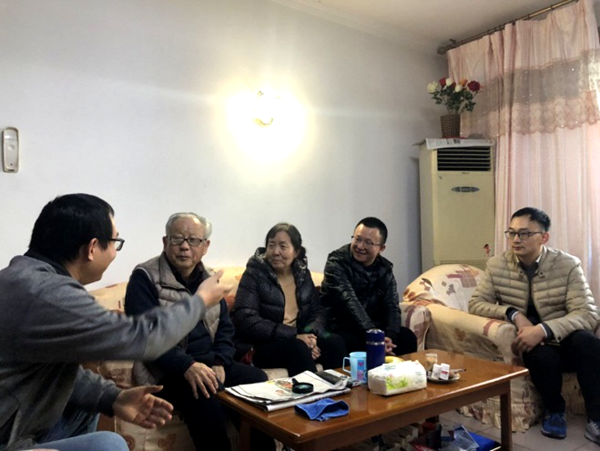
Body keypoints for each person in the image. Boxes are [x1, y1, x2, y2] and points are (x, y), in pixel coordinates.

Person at [0, 194, 230, 451]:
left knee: (87, 407)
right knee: (110, 444)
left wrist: (114, 398)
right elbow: (141, 339)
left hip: (18, 424)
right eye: (115, 243)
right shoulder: (48, 294)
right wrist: (200, 300)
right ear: (92, 248)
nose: (114, 253)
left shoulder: (26, 278)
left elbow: (57, 372)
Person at [124, 213, 273, 451]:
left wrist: (220, 361)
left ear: (205, 246)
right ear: (165, 242)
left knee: (256, 381)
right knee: (203, 392)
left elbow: (225, 327)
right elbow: (146, 337)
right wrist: (187, 366)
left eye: (193, 240)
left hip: (208, 363)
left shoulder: (210, 279)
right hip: (167, 370)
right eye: (177, 239)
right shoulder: (145, 277)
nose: (185, 246)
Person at [469, 207, 600, 444]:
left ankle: (596, 418)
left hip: (564, 336)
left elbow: (587, 313)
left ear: (544, 237)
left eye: (525, 233)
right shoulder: (497, 265)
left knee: (588, 342)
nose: (516, 239)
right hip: (530, 342)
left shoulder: (567, 265)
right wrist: (513, 314)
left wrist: (544, 329)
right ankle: (554, 410)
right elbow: (476, 304)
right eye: (511, 233)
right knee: (541, 355)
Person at [232, 223, 346, 376]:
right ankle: (313, 391)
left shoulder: (302, 274)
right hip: (260, 345)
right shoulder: (254, 274)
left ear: (296, 251)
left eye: (283, 246)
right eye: (271, 245)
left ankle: (340, 388)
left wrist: (311, 338)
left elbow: (317, 311)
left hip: (297, 338)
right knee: (298, 349)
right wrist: (294, 336)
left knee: (335, 342)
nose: (275, 252)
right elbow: (246, 319)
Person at [320, 217, 417, 356]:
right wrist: (374, 336)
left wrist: (390, 336)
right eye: (357, 239)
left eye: (368, 242)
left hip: (369, 328)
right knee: (343, 343)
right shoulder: (336, 263)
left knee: (406, 337)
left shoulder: (384, 269)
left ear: (381, 248)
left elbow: (391, 306)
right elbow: (350, 303)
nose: (360, 246)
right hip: (339, 327)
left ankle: (397, 370)